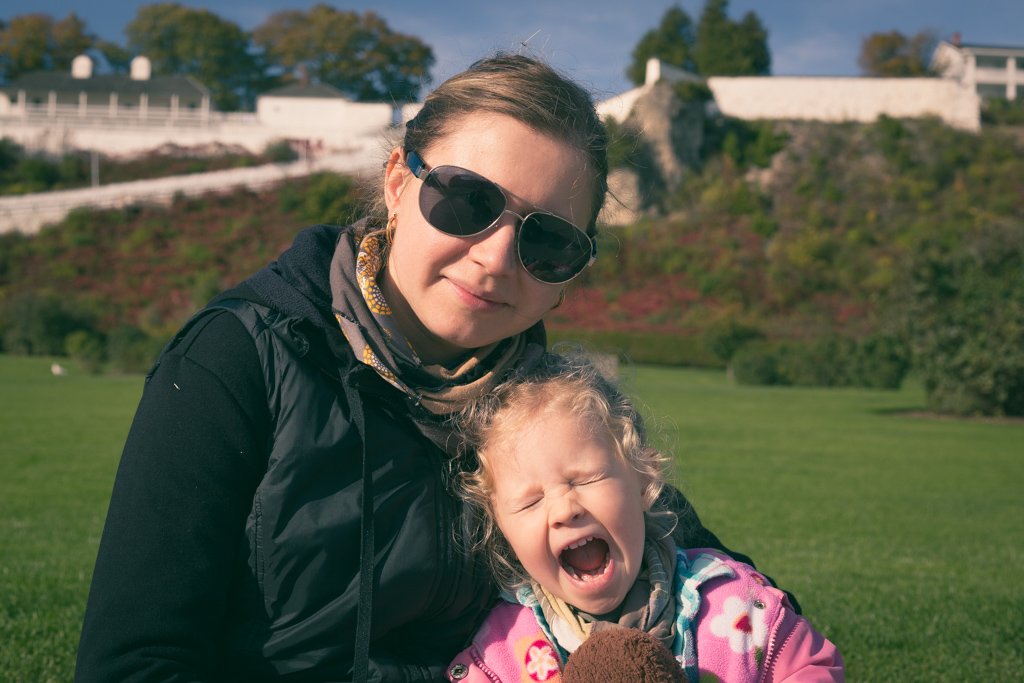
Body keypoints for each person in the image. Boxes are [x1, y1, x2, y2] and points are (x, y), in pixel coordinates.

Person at [76, 54, 761, 682]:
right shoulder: (239, 358)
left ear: (568, 276)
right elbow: (136, 660)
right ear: (399, 183)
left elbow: (715, 576)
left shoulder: (548, 406)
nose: (494, 257)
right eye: (467, 201)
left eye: (546, 241)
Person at [447, 353, 844, 682]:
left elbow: (811, 668)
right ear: (501, 527)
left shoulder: (734, 604)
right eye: (530, 502)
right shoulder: (503, 651)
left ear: (643, 477)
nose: (565, 510)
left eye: (586, 479)